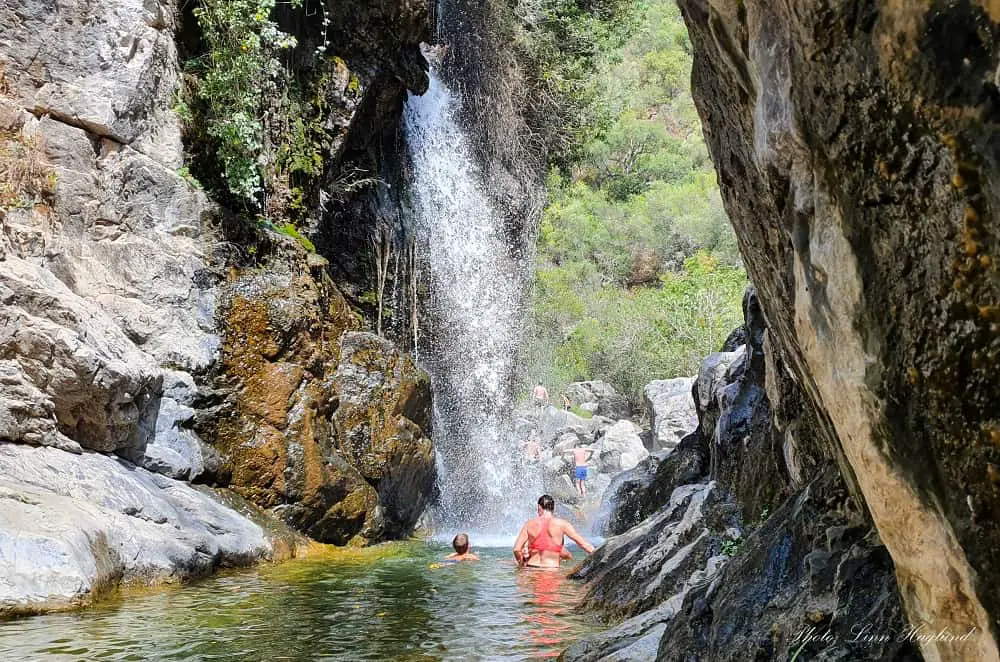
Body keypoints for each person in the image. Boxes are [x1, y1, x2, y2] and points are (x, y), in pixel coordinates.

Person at [514, 494, 595, 569]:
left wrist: (521, 564)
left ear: (539, 507)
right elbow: (584, 545)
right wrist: (599, 554)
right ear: (553, 509)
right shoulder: (562, 524)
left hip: (532, 568)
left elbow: (516, 549)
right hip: (551, 570)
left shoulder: (529, 524)